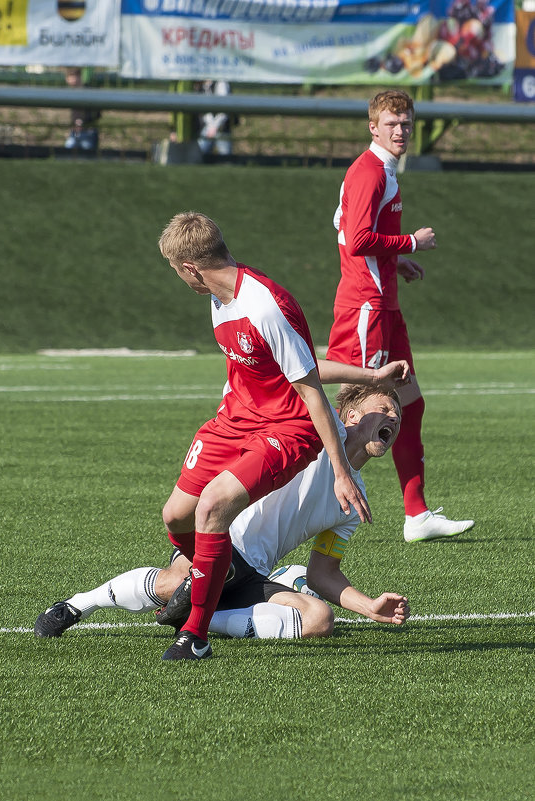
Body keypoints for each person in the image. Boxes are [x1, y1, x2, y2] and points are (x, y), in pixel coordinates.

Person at [152, 210, 376, 661]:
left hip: (288, 428)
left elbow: (311, 389)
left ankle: (196, 635)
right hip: (237, 417)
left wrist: (341, 472)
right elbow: (263, 367)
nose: (180, 279)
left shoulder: (265, 305)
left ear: (190, 268)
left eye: (177, 272)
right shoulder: (218, 299)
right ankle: (225, 568)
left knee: (213, 507)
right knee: (176, 516)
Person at [34, 384, 409, 642]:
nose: (392, 416)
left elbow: (322, 573)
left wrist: (369, 607)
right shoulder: (314, 429)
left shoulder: (355, 498)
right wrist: (371, 377)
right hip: (220, 536)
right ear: (351, 414)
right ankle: (79, 603)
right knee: (172, 582)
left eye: (397, 414)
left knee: (319, 620)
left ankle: (199, 614)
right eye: (383, 407)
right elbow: (303, 376)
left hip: (252, 572)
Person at [326, 89, 474, 544]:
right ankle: (306, 495)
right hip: (365, 308)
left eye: (406, 123)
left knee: (411, 403)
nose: (400, 130)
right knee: (353, 411)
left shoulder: (383, 171)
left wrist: (395, 263)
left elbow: (343, 229)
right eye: (391, 123)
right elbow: (355, 239)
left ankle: (417, 516)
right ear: (373, 127)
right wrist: (410, 243)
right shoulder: (369, 171)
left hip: (385, 304)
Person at [64, 67, 100, 152]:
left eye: (72, 77)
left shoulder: (89, 93)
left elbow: (97, 113)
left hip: (88, 132)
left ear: (79, 77)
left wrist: (84, 122)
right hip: (76, 132)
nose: (70, 80)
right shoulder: (72, 94)